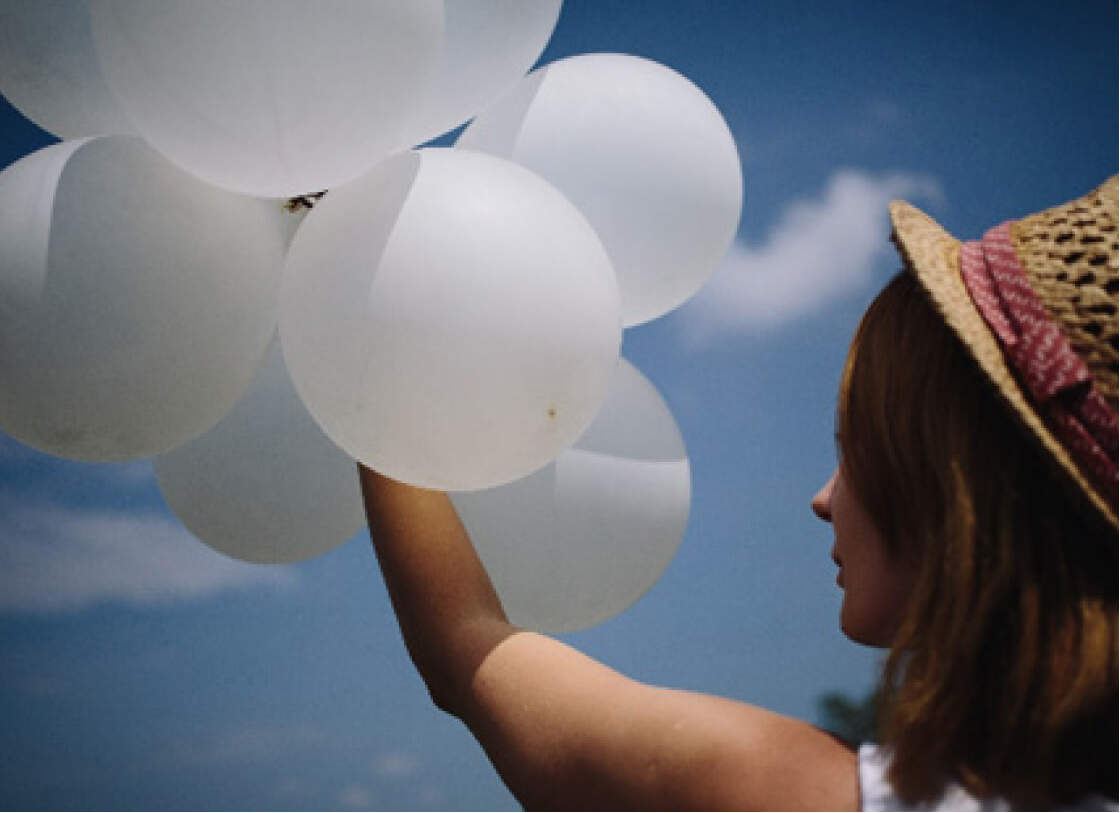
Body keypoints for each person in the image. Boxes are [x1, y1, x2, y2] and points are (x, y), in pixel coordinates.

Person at [359, 176, 1118, 810]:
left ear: (960, 493)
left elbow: (467, 649)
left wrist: (360, 339)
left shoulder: (796, 793)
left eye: (854, 449)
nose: (823, 499)